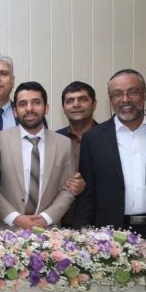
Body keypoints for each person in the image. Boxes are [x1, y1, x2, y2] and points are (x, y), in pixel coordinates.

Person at [74, 69, 146, 241]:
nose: (125, 99)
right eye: (117, 94)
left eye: (133, 92)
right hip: (112, 235)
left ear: (144, 94)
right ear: (110, 98)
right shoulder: (93, 139)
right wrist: (81, 237)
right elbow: (88, 195)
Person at [0, 82, 76, 229]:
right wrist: (15, 218)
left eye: (36, 102)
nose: (29, 108)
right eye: (23, 104)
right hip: (4, 230)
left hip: (48, 231)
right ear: (15, 111)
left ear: (46, 108)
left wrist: (47, 218)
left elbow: (68, 188)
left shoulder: (64, 143)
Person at [56, 81, 98, 227]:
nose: (76, 104)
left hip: (98, 221)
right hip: (59, 222)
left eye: (82, 99)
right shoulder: (54, 139)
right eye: (70, 101)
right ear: (63, 108)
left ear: (94, 104)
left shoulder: (108, 138)